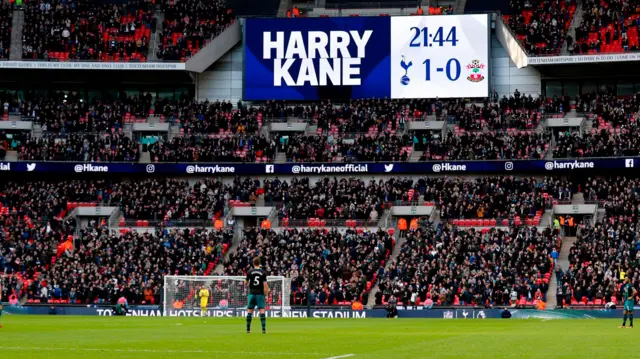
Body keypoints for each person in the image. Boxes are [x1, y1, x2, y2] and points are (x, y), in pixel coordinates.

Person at [246, 257, 268, 334]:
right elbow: (265, 285)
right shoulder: (263, 272)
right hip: (260, 294)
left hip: (252, 293)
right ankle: (264, 329)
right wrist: (267, 295)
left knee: (249, 311)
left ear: (253, 263)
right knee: (262, 310)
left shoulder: (249, 272)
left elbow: (245, 283)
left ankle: (248, 330)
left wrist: (248, 282)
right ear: (259, 263)